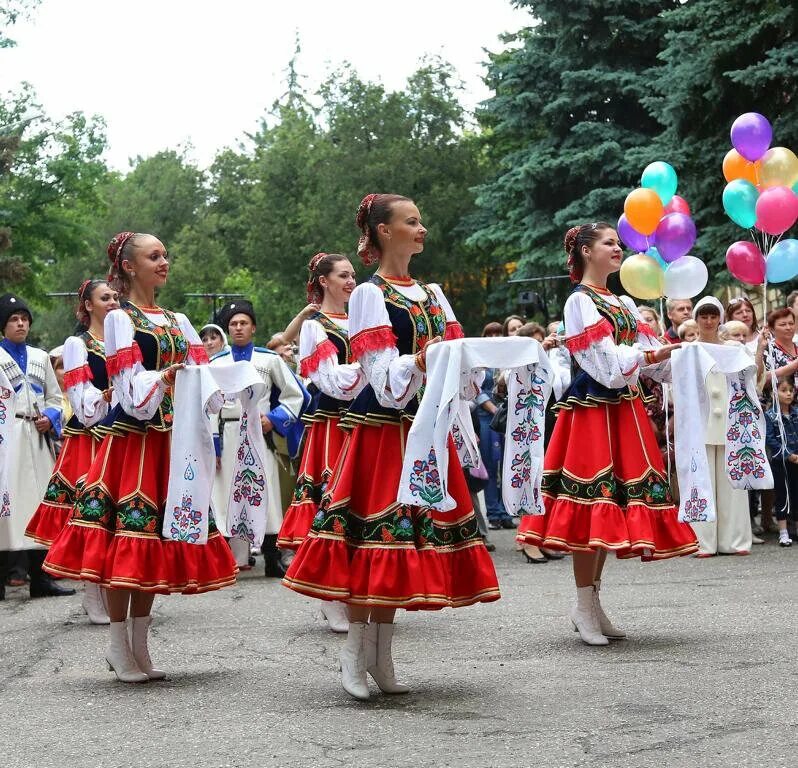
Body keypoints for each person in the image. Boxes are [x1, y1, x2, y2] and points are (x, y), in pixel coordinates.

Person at [284, 193, 500, 700]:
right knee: (374, 540)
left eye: (421, 221)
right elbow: (382, 380)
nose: (422, 229)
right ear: (383, 231)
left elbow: (461, 367)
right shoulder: (369, 295)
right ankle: (353, 654)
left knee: (404, 547)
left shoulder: (433, 293)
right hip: (383, 431)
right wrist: (422, 362)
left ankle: (380, 656)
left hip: (425, 429)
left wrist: (481, 362)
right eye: (411, 221)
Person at [44, 232, 238, 683]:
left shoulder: (178, 320)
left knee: (154, 542)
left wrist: (228, 384)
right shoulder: (119, 320)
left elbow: (203, 375)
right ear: (129, 267)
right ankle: (118, 643)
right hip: (132, 441)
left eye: (165, 255)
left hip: (170, 440)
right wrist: (165, 378)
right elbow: (130, 391)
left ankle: (140, 645)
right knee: (125, 538)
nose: (164, 262)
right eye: (154, 256)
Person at [517, 223, 697, 647]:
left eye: (618, 243)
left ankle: (593, 605)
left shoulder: (623, 302)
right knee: (591, 505)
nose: (618, 249)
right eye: (609, 243)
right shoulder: (579, 301)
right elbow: (604, 365)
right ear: (585, 251)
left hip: (623, 411)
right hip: (593, 412)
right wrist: (649, 355)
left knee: (610, 507)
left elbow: (652, 359)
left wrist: (689, 358)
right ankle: (583, 605)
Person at [278, 253, 366, 633]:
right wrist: (370, 371)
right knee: (331, 506)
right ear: (324, 281)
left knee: (361, 506)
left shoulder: (363, 320)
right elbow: (329, 381)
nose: (351, 282)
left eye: (353, 275)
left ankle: (356, 591)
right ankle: (330, 596)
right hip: (333, 425)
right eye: (343, 275)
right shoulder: (315, 327)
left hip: (363, 422)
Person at [25, 280, 119, 622]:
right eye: (105, 297)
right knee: (91, 516)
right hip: (90, 438)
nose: (113, 302)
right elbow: (79, 398)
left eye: (115, 296)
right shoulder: (78, 345)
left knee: (116, 517)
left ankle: (112, 591)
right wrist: (108, 396)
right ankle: (92, 593)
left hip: (120, 436)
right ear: (88, 306)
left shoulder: (125, 341)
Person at [212, 298, 307, 577]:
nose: (238, 328)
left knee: (267, 493)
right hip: (228, 433)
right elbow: (209, 405)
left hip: (258, 433)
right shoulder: (216, 362)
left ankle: (272, 556)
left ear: (253, 327)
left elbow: (296, 394)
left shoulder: (269, 359)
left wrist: (274, 419)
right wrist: (213, 443)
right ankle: (231, 559)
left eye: (244, 323)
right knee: (227, 493)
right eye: (233, 324)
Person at [0, 294, 74, 601]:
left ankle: (41, 578)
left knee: (40, 504)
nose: (20, 324)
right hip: (7, 439)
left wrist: (51, 417)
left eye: (24, 319)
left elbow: (56, 397)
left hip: (37, 437)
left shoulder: (41, 357)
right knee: (7, 505)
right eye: (13, 319)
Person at [688, 297, 753, 557]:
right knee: (701, 480)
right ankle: (702, 541)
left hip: (730, 420)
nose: (708, 321)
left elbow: (749, 378)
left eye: (713, 316)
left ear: (720, 319)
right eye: (703, 316)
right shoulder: (688, 350)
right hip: (701, 419)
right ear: (696, 319)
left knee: (731, 482)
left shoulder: (733, 349)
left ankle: (734, 540)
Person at [474, 322, 515, 531]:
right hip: (486, 418)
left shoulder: (509, 358)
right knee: (490, 466)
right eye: (489, 334)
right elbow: (477, 389)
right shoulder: (480, 360)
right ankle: (493, 513)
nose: (494, 337)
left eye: (498, 333)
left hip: (508, 417)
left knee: (507, 465)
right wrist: (494, 410)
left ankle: (506, 512)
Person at [765, 377, 798, 547]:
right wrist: (788, 455)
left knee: (796, 494)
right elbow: (770, 440)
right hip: (780, 462)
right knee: (782, 495)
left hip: (796, 460)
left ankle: (795, 528)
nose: (788, 394)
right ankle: (783, 532)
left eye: (791, 390)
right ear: (775, 393)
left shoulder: (796, 413)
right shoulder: (770, 415)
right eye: (784, 390)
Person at [765, 308, 798, 390]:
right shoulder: (767, 350)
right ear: (772, 329)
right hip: (778, 397)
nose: (788, 327)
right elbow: (761, 379)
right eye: (783, 325)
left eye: (791, 323)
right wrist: (793, 366)